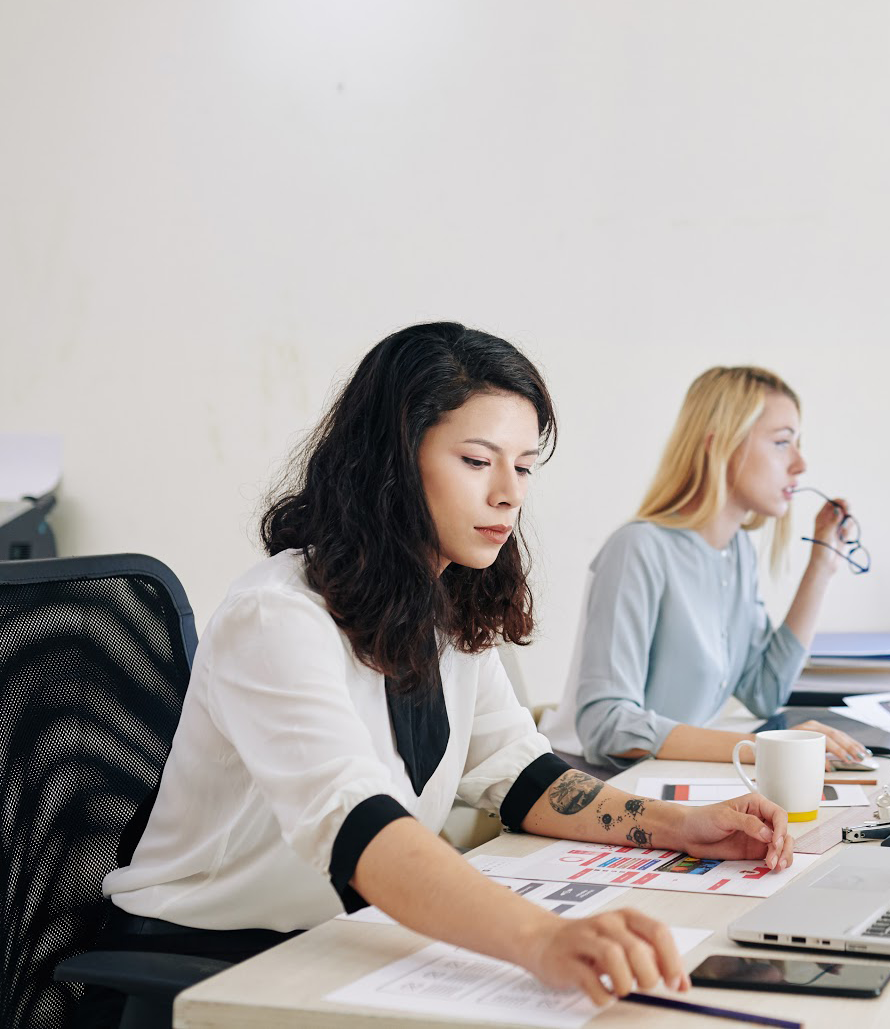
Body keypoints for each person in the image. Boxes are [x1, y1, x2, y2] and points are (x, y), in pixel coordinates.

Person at [98, 324, 793, 1011]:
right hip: (205, 961)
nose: (509, 494)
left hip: (333, 937)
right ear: (393, 461)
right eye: (476, 460)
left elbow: (523, 777)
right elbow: (359, 828)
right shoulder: (276, 617)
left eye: (522, 466)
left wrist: (683, 825)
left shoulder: (445, 607)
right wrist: (542, 938)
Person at [546, 365, 868, 768]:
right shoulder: (638, 549)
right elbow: (608, 725)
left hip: (671, 778)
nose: (801, 464)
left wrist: (821, 566)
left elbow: (764, 690)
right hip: (599, 781)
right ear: (722, 446)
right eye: (783, 443)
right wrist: (762, 750)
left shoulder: (736, 551)